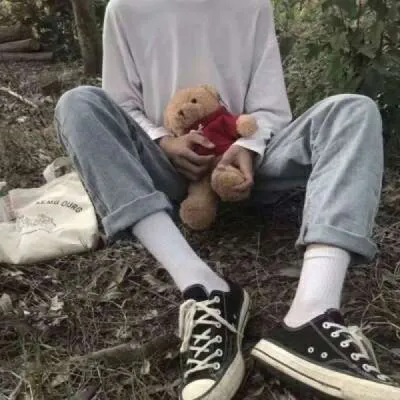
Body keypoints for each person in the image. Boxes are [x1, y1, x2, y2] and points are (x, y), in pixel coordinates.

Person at [54, 0, 399, 399]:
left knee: (353, 110)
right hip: (168, 170)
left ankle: (313, 313)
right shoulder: (125, 9)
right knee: (77, 104)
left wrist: (247, 147)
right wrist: (164, 141)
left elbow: (270, 109)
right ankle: (205, 289)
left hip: (249, 166)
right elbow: (122, 105)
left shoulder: (251, 5)